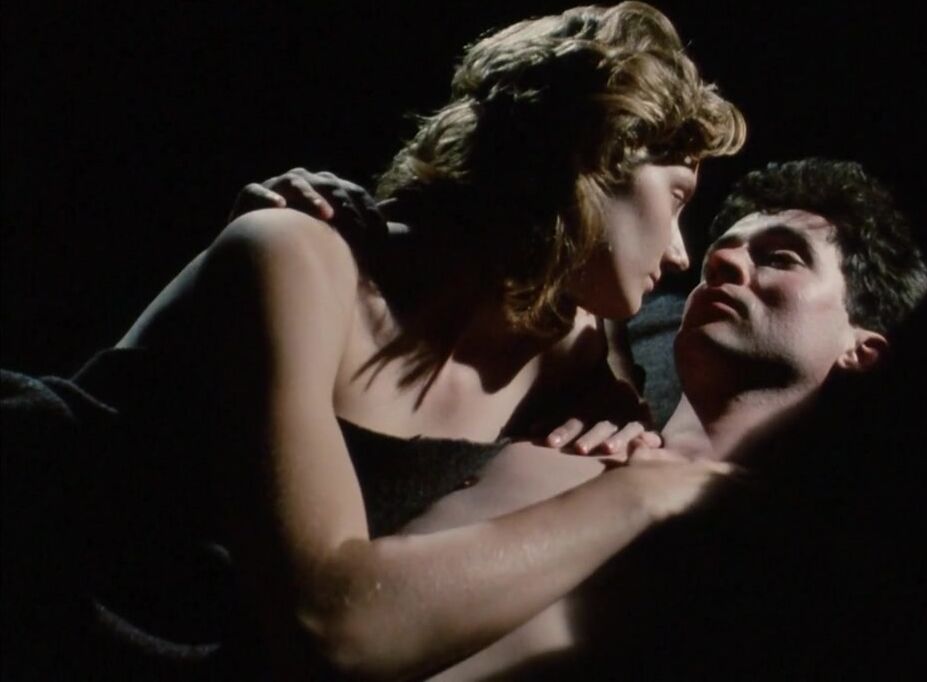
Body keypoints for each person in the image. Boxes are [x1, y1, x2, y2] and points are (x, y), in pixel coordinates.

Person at [0, 3, 745, 680]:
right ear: (596, 155)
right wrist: (648, 492)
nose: (681, 253)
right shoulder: (294, 254)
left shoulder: (570, 351)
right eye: (677, 196)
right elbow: (330, 627)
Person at [387, 158, 927, 678]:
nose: (721, 263)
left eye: (782, 258)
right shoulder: (570, 439)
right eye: (720, 252)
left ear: (860, 348)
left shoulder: (824, 582)